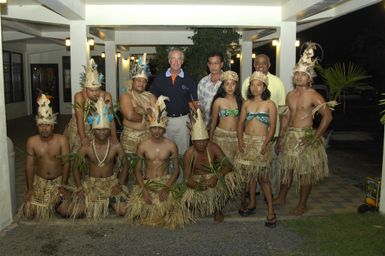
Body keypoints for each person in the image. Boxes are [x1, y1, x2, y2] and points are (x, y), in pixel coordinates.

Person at [273, 42, 333, 216]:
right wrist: (281, 138)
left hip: (306, 137)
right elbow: (286, 117)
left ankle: (302, 204)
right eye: (296, 74)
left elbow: (328, 116)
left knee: (305, 173)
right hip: (290, 136)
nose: (299, 77)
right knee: (287, 169)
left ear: (309, 78)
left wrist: (315, 136)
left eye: (303, 74)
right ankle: (281, 197)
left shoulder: (314, 95)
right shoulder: (290, 95)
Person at [125, 96, 193, 229]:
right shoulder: (142, 146)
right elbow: (138, 170)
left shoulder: (171, 145)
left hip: (165, 182)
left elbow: (176, 171)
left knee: (171, 211)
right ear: (149, 128)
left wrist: (167, 188)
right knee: (134, 210)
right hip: (148, 183)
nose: (157, 131)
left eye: (159, 128)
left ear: (164, 129)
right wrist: (143, 189)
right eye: (154, 128)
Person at [72, 97, 129, 219]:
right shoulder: (86, 147)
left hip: (111, 183)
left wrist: (119, 185)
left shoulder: (116, 146)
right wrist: (79, 187)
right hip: (91, 184)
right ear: (93, 130)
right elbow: (75, 166)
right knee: (73, 212)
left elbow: (125, 166)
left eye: (104, 129)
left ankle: (108, 201)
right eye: (98, 130)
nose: (102, 132)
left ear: (109, 130)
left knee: (123, 211)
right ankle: (102, 202)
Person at [182, 109, 241, 223]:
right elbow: (187, 179)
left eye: (204, 141)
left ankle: (218, 209)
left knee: (231, 179)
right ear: (193, 142)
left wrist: (216, 177)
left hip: (214, 177)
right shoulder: (189, 154)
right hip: (198, 180)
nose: (201, 144)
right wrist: (198, 185)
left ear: (207, 139)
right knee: (188, 203)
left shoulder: (213, 147)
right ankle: (203, 205)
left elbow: (228, 165)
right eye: (198, 142)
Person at [233, 71, 277, 227]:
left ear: (264, 87)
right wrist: (240, 140)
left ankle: (271, 211)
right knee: (249, 176)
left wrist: (265, 144)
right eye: (252, 84)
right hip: (247, 142)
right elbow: (240, 124)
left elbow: (272, 127)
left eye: (258, 84)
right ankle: (252, 204)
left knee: (264, 178)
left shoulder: (270, 104)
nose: (254, 87)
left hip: (261, 143)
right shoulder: (246, 103)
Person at [18, 94, 72, 220]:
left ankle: (55, 203)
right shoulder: (32, 141)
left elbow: (66, 164)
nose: (44, 128)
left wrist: (63, 186)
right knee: (28, 212)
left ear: (53, 126)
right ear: (37, 126)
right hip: (41, 183)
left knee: (68, 212)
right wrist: (30, 189)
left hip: (58, 182)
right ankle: (49, 204)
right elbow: (29, 166)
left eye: (47, 125)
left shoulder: (62, 140)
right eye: (41, 125)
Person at [241, 54, 286, 195]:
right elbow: (246, 110)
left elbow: (282, 112)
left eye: (264, 63)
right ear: (254, 65)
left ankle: (269, 195)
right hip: (250, 137)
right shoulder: (247, 82)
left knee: (268, 168)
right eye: (257, 63)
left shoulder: (278, 82)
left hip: (271, 136)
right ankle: (253, 195)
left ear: (269, 65)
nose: (260, 66)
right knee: (252, 170)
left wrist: (280, 136)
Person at [150, 48, 198, 162]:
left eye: (179, 59)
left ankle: (181, 179)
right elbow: (153, 96)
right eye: (173, 59)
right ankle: (166, 178)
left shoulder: (189, 79)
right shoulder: (160, 78)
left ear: (182, 61)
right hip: (164, 121)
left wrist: (195, 122)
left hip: (182, 121)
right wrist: (155, 115)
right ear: (169, 61)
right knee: (164, 153)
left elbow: (193, 102)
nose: (176, 62)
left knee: (182, 154)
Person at [64, 58, 118, 153]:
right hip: (78, 128)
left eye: (97, 89)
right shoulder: (79, 96)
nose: (95, 93)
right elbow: (79, 118)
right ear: (85, 88)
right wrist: (83, 137)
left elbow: (111, 118)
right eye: (91, 90)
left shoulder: (106, 96)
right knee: (76, 153)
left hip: (97, 128)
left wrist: (114, 136)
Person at [120, 53, 156, 157]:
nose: (141, 84)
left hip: (149, 138)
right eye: (138, 81)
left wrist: (138, 109)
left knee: (146, 168)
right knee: (129, 168)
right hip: (130, 139)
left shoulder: (151, 96)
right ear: (132, 81)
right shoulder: (126, 96)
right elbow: (130, 116)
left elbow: (156, 117)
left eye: (144, 82)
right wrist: (147, 115)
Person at [209, 70, 243, 162]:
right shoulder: (218, 101)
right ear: (223, 86)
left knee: (235, 166)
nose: (230, 87)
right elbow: (213, 123)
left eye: (233, 84)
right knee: (222, 165)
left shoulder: (240, 101)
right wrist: (210, 141)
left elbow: (242, 123)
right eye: (227, 84)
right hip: (220, 137)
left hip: (236, 138)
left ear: (236, 86)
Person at [197, 51, 224, 125]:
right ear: (208, 65)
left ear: (221, 64)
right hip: (205, 125)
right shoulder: (203, 82)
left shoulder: (227, 81)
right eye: (211, 63)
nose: (213, 66)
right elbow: (199, 104)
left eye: (216, 63)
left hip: (223, 126)